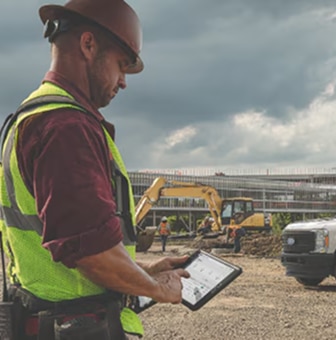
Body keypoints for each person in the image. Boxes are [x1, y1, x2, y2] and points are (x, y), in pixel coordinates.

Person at [0, 0, 190, 338]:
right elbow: (90, 253)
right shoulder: (66, 127)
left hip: (43, 319)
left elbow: (67, 245)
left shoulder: (28, 117)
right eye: (121, 65)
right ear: (88, 45)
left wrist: (144, 269)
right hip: (75, 326)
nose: (123, 82)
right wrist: (159, 289)